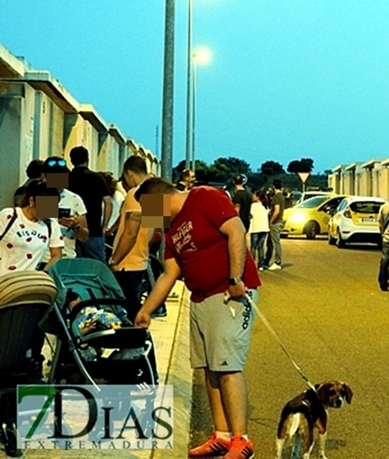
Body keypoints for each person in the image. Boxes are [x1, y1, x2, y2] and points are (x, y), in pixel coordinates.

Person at [133, 177, 261, 459]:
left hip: (229, 294)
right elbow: (169, 273)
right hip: (200, 298)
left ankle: (242, 440)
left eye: (149, 209)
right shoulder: (171, 228)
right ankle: (221, 435)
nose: (149, 218)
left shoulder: (204, 197)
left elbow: (236, 231)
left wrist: (235, 277)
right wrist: (147, 309)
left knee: (227, 366)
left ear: (161, 199)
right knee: (209, 368)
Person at [1, 179, 64, 378]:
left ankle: (30, 374)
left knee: (30, 335)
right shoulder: (8, 216)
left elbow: (57, 254)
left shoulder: (50, 225)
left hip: (28, 289)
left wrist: (43, 273)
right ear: (32, 201)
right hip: (4, 285)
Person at [108, 156, 152, 317]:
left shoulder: (135, 194)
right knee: (135, 306)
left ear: (129, 173)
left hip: (126, 263)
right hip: (141, 260)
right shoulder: (156, 194)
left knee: (124, 311)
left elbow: (130, 232)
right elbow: (154, 232)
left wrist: (114, 260)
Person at [68, 145, 112, 262]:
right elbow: (108, 202)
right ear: (88, 160)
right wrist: (104, 226)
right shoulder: (97, 178)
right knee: (97, 268)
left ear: (71, 160)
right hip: (94, 230)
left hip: (69, 232)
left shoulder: (66, 178)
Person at [41, 156, 89, 261]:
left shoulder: (74, 199)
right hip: (42, 258)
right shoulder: (38, 196)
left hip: (67, 257)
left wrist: (75, 226)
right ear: (45, 176)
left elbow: (84, 236)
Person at [266, 180, 286, 271]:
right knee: (272, 242)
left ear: (273, 186)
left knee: (275, 242)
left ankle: (278, 262)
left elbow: (277, 211)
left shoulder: (276, 197)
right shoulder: (282, 196)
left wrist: (271, 221)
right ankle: (269, 260)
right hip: (280, 221)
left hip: (276, 222)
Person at [249, 190, 270, 269]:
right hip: (264, 228)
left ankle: (252, 264)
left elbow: (250, 215)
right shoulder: (265, 206)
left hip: (255, 228)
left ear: (257, 197)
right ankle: (261, 264)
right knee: (260, 247)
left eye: (254, 195)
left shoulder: (253, 206)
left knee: (253, 247)